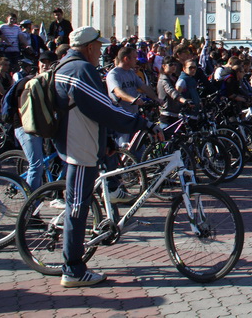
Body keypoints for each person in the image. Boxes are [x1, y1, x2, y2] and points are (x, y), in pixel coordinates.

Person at [53, 26, 163, 288]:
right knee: (77, 208)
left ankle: (75, 262)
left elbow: (92, 109)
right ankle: (73, 269)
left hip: (81, 142)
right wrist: (142, 124)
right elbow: (104, 108)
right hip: (79, 146)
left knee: (80, 204)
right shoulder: (80, 70)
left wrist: (108, 141)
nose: (101, 51)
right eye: (98, 47)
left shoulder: (68, 66)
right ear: (89, 47)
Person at [12, 51, 59, 192]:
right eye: (42, 62)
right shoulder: (27, 82)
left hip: (41, 126)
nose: (45, 65)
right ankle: (31, 206)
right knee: (36, 165)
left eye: (49, 63)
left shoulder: (52, 83)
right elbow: (20, 107)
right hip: (24, 126)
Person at [106, 47, 159, 148]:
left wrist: (156, 99)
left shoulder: (131, 73)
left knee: (139, 148)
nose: (137, 60)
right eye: (134, 57)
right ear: (126, 59)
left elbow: (144, 87)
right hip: (121, 119)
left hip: (134, 117)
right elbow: (118, 92)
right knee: (123, 149)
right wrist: (133, 100)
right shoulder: (114, 74)